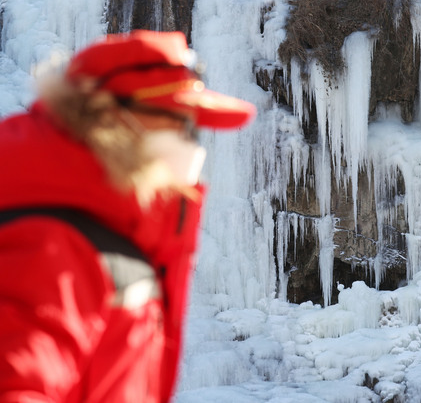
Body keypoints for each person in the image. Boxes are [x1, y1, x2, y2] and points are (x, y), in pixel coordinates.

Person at [0, 30, 255, 402]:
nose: (192, 140)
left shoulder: (102, 232)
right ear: (112, 116)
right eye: (181, 122)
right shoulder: (53, 245)